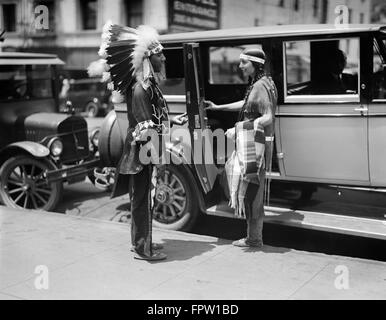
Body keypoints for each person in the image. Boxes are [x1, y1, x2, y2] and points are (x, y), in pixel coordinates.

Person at [98, 23, 187, 261]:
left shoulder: (149, 87)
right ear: (148, 58)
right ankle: (143, 249)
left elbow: (154, 119)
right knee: (141, 200)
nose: (164, 57)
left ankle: (140, 243)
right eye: (160, 54)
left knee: (141, 199)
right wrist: (158, 159)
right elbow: (145, 128)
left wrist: (173, 121)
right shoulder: (140, 89)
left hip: (142, 153)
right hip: (139, 155)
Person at [205, 48, 277, 248]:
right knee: (249, 186)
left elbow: (268, 117)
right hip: (254, 142)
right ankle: (253, 236)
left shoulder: (260, 86)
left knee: (252, 191)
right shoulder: (262, 82)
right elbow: (247, 105)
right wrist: (218, 107)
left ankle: (254, 239)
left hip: (255, 144)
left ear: (254, 64)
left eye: (243, 62)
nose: (240, 66)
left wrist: (238, 129)